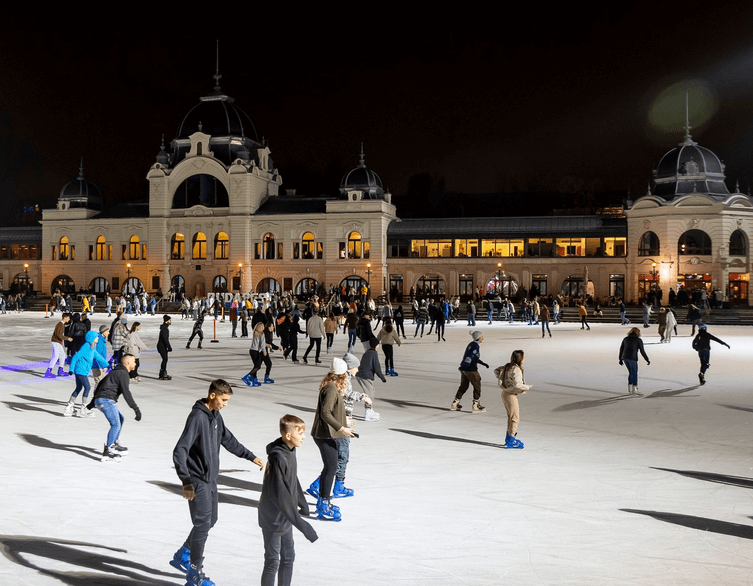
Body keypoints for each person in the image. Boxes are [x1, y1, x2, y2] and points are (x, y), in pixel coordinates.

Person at [171, 379, 263, 586]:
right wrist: (186, 480)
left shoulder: (215, 417)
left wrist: (250, 456)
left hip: (210, 479)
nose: (225, 404)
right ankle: (194, 573)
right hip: (196, 480)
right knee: (203, 524)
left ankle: (183, 554)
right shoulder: (197, 417)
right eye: (224, 399)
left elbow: (228, 440)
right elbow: (180, 450)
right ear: (212, 395)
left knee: (210, 520)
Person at [258, 414, 319, 586]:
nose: (304, 437)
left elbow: (292, 478)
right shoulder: (278, 456)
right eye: (301, 434)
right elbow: (280, 494)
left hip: (285, 516)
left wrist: (302, 502)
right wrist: (303, 525)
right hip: (273, 518)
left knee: (288, 558)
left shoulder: (290, 450)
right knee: (272, 562)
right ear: (288, 436)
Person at [310, 359, 356, 521]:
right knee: (331, 467)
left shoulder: (331, 386)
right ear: (342, 375)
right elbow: (326, 413)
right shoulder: (330, 388)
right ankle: (323, 504)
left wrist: (345, 423)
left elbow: (332, 412)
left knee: (330, 466)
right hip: (324, 434)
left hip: (326, 433)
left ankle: (323, 499)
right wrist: (341, 428)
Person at [91, 353, 141, 461]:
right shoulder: (122, 373)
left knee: (120, 419)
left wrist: (93, 402)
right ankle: (108, 450)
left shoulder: (116, 371)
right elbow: (126, 393)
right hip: (106, 400)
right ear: (128, 363)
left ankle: (114, 443)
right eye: (134, 361)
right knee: (115, 423)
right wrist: (136, 409)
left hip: (102, 399)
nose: (135, 363)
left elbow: (101, 383)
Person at [495, 350, 531, 449]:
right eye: (523, 357)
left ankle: (509, 438)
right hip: (510, 394)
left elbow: (496, 371)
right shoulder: (516, 369)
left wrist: (503, 380)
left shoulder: (507, 366)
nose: (524, 359)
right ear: (521, 359)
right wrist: (526, 387)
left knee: (511, 417)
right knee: (515, 418)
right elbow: (517, 384)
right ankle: (511, 440)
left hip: (505, 393)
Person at [64, 330, 103, 417]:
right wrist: (71, 369)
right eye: (96, 336)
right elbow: (75, 357)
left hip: (82, 371)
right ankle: (83, 408)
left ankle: (69, 407)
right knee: (87, 387)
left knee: (78, 388)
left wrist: (106, 364)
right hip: (80, 371)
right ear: (92, 338)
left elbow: (97, 356)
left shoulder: (92, 347)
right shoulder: (86, 347)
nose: (98, 338)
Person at [450, 331, 489, 413]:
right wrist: (467, 366)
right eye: (482, 337)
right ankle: (476, 405)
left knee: (463, 386)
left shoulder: (471, 344)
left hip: (464, 369)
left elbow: (472, 357)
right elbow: (471, 357)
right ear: (478, 338)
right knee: (477, 386)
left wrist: (482, 363)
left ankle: (455, 403)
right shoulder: (475, 346)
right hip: (470, 369)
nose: (483, 338)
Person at [355, 337, 387, 421]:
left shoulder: (367, 352)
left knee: (371, 391)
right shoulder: (373, 354)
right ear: (376, 345)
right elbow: (377, 367)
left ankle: (370, 410)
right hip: (365, 375)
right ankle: (368, 412)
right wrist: (382, 377)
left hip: (362, 374)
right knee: (369, 393)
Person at [618, 327, 650, 396]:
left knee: (631, 372)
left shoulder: (625, 339)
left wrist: (620, 359)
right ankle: (635, 388)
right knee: (634, 373)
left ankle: (630, 388)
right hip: (632, 358)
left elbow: (621, 349)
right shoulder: (638, 340)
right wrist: (647, 359)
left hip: (625, 358)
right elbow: (642, 351)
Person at [243, 322, 272, 386]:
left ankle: (254, 380)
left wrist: (267, 345)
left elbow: (259, 343)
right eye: (263, 326)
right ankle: (247, 377)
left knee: (256, 366)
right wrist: (264, 351)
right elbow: (261, 344)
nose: (264, 327)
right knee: (257, 366)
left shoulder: (256, 333)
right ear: (260, 327)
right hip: (256, 352)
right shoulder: (261, 334)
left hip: (252, 351)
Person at [45, 312, 73, 378]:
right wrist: (67, 338)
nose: (68, 320)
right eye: (68, 318)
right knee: (55, 356)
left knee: (62, 356)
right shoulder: (60, 324)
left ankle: (60, 370)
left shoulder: (61, 324)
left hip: (58, 342)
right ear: (65, 318)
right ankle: (48, 371)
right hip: (56, 342)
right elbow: (59, 335)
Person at [158, 315, 173, 380]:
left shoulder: (164, 328)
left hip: (162, 346)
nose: (170, 321)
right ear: (167, 321)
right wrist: (169, 347)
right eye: (169, 320)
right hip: (162, 346)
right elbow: (165, 339)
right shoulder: (164, 329)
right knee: (165, 360)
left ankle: (162, 373)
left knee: (165, 360)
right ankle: (163, 373)